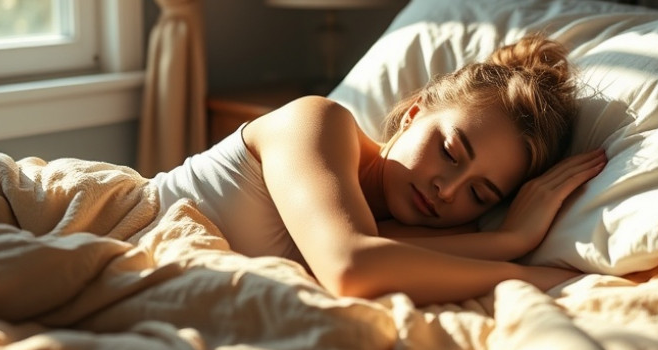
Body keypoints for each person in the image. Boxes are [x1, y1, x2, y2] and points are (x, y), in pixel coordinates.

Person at [153, 35, 607, 306]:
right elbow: (351, 269)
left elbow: (377, 263)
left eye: (481, 194)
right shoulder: (318, 122)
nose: (448, 191)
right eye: (450, 152)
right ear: (413, 113)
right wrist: (513, 245)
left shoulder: (439, 231)